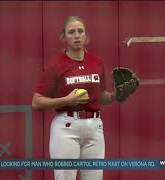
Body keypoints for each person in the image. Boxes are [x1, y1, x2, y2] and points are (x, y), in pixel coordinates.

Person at [32, 16, 116, 180]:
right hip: (67, 128)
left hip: (95, 127)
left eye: (80, 31)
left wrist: (115, 96)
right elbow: (36, 101)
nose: (77, 35)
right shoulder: (56, 65)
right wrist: (66, 101)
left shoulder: (97, 62)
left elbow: (101, 96)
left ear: (87, 37)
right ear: (63, 38)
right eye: (71, 32)